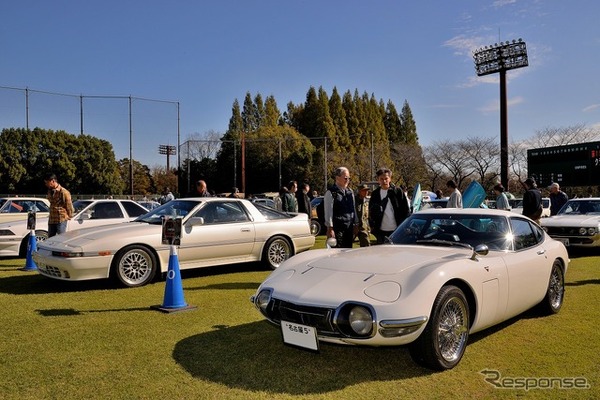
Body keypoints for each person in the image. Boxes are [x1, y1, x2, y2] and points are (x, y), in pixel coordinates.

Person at [368, 168, 410, 245]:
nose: (384, 181)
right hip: (381, 231)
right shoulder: (375, 194)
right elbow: (371, 211)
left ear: (390, 179)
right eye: (381, 179)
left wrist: (404, 226)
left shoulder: (397, 191)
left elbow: (406, 210)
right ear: (378, 180)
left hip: (397, 230)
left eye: (386, 178)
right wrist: (372, 226)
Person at [324, 167, 358, 248]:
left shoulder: (350, 192)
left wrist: (356, 223)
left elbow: (353, 209)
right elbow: (328, 211)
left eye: (349, 178)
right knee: (337, 251)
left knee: (348, 251)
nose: (347, 180)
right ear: (337, 178)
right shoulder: (331, 192)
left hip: (349, 227)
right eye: (345, 178)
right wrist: (330, 228)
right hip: (337, 228)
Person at [44, 173, 74, 237]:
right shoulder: (49, 191)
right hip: (52, 219)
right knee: (51, 239)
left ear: (53, 181)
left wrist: (69, 215)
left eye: (47, 182)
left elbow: (69, 205)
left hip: (61, 219)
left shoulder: (64, 192)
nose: (46, 184)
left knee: (61, 238)